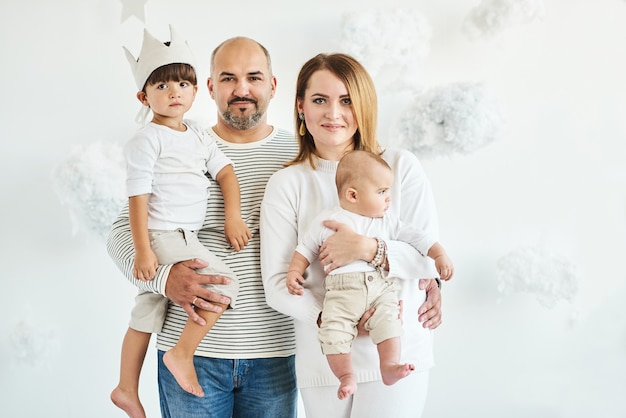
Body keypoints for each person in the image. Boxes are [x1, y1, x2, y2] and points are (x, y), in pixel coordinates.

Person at [107, 36, 302, 418]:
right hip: (196, 355)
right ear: (210, 87)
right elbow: (120, 234)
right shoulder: (174, 143)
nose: (241, 89)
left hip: (275, 354)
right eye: (228, 78)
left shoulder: (298, 153)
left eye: (254, 77)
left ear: (273, 85)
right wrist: (163, 279)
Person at [260, 53, 445, 417]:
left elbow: (428, 259)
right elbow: (277, 284)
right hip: (327, 360)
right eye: (319, 100)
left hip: (398, 350)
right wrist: (335, 318)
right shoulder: (287, 183)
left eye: (346, 100)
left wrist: (367, 248)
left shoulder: (400, 167)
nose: (333, 113)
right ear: (300, 107)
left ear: (363, 105)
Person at [285, 149, 454, 400]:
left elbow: (419, 238)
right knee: (333, 332)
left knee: (390, 322)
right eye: (382, 192)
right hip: (341, 294)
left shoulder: (387, 221)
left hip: (380, 289)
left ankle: (388, 366)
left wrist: (439, 255)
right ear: (352, 195)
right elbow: (305, 248)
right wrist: (295, 271)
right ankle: (345, 375)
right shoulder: (328, 220)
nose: (389, 198)